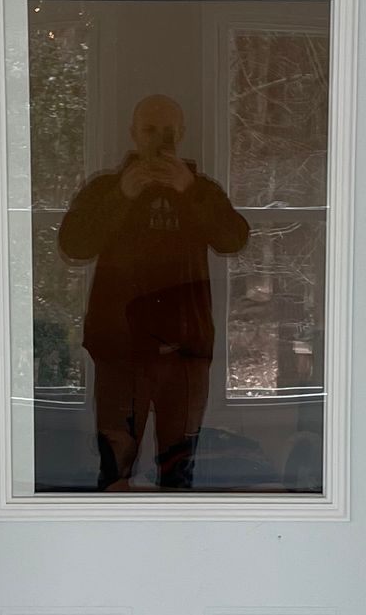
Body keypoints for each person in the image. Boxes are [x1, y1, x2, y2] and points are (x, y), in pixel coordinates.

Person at [58, 93, 249, 489]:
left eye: (168, 131)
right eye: (150, 130)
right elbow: (74, 246)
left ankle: (174, 547)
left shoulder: (201, 190)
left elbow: (233, 240)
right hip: (120, 350)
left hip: (186, 353)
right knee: (115, 465)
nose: (159, 139)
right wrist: (121, 197)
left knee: (179, 468)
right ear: (133, 133)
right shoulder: (106, 188)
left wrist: (190, 190)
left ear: (181, 134)